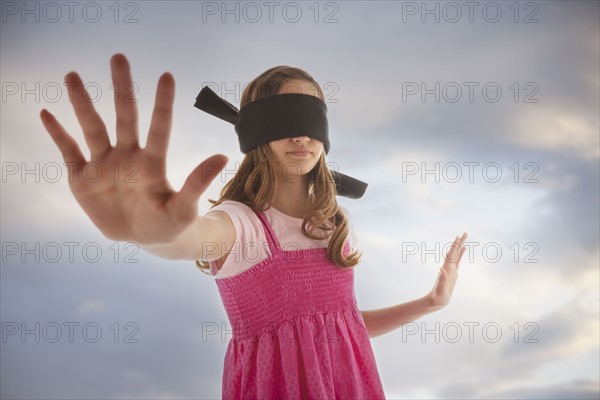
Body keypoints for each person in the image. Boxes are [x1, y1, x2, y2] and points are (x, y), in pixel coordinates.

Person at [39, 53, 468, 399]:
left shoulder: (336, 224)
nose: (301, 137)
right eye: (284, 122)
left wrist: (430, 303)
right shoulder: (240, 225)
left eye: (310, 121)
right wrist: (153, 233)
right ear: (256, 135)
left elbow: (339, 328)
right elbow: (191, 238)